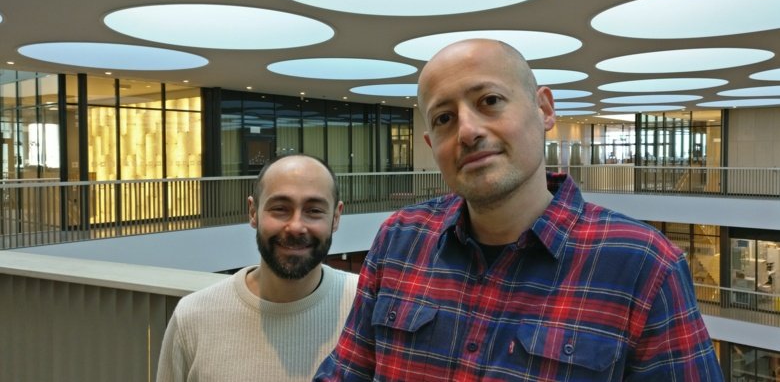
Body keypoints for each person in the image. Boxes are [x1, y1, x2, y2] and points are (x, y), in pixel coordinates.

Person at [315, 39, 723, 381]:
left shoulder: (643, 264)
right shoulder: (400, 239)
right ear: (430, 141)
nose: (468, 131)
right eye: (444, 118)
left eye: (489, 100)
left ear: (544, 109)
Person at [157, 154, 358, 381]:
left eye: (314, 211)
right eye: (280, 208)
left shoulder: (367, 306)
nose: (296, 227)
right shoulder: (193, 316)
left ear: (336, 217)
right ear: (253, 212)